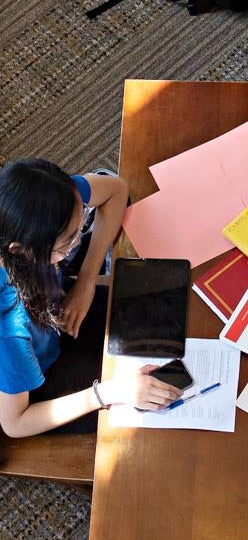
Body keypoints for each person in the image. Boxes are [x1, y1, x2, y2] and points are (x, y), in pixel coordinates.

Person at [0, 158, 183, 438]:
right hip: (37, 386)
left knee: (159, 310)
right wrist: (109, 392)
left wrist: (86, 281)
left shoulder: (52, 199)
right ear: (21, 249)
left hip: (55, 314)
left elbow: (116, 190)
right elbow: (15, 424)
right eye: (67, 243)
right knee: (146, 413)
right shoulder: (9, 329)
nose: (77, 244)